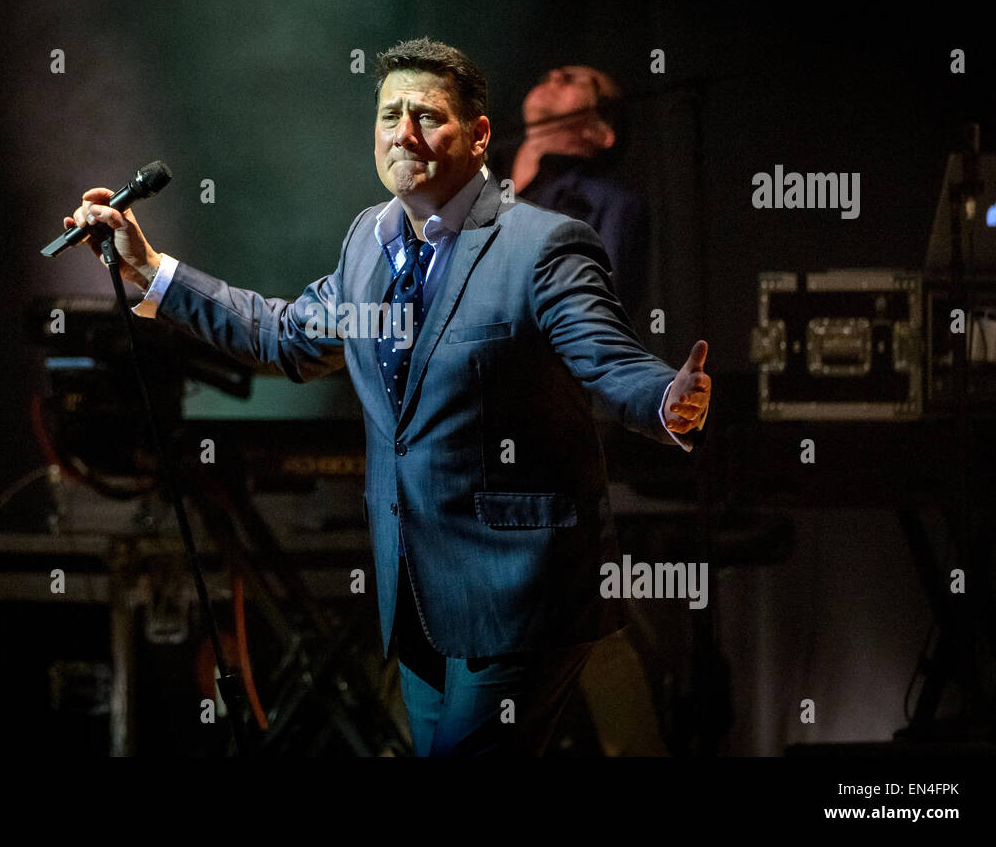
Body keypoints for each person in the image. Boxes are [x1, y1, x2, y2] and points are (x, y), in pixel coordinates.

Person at [64, 38, 710, 756]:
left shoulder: (542, 245)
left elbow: (604, 355)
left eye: (427, 116)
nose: (404, 131)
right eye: (389, 113)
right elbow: (285, 335)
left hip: (520, 589)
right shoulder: (368, 244)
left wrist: (663, 397)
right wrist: (151, 269)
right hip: (419, 594)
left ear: (479, 134)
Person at [499, 65, 650, 323]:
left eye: (571, 80)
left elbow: (598, 315)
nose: (554, 76)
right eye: (547, 76)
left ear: (600, 132)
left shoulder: (610, 204)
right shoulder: (476, 183)